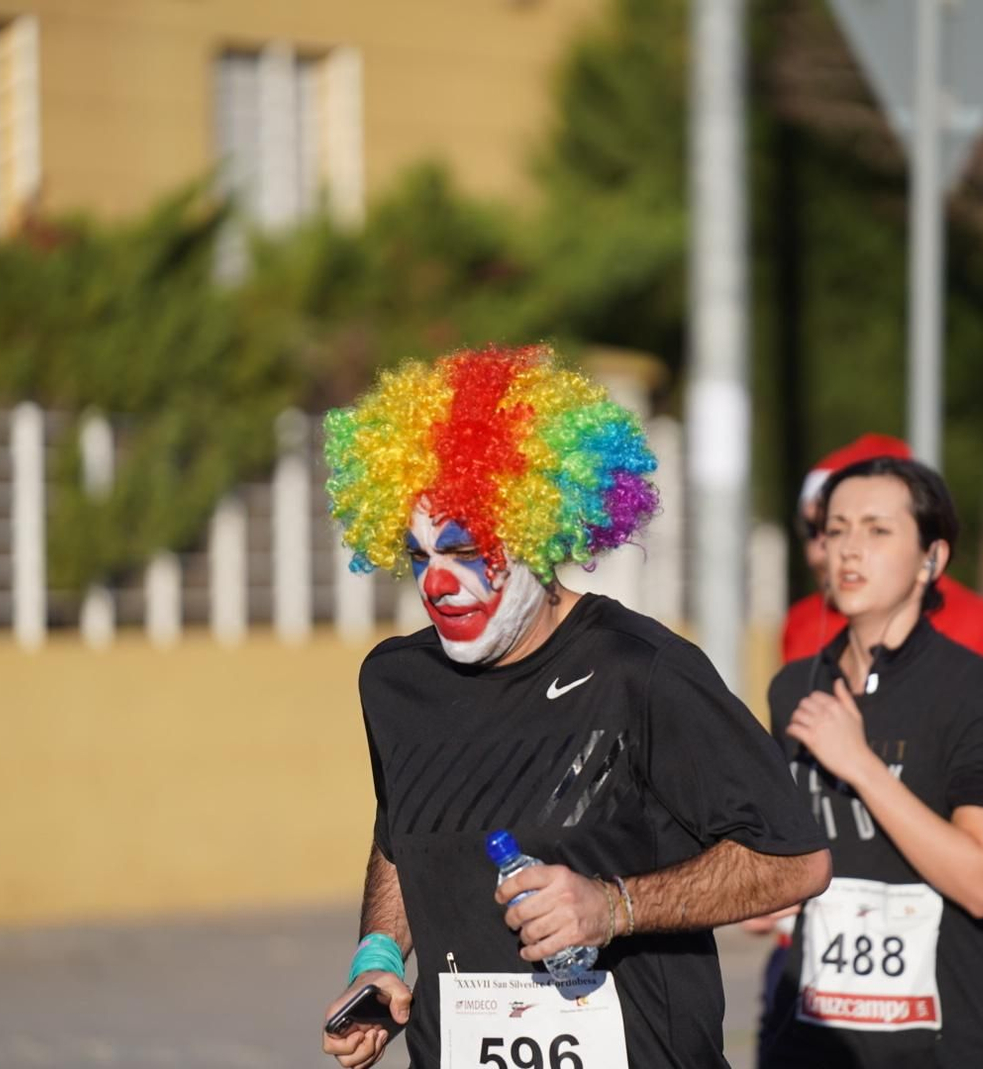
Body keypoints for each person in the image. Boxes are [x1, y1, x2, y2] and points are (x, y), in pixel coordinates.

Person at [318, 344, 832, 1069]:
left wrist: (611, 906)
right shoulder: (398, 683)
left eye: (468, 549)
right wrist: (376, 956)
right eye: (419, 555)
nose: (437, 582)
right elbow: (402, 829)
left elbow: (796, 861)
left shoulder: (642, 672)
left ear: (540, 529)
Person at [759, 456, 983, 1068]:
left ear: (932, 560)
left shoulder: (977, 691)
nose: (849, 550)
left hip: (956, 1038)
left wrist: (859, 764)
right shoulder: (793, 688)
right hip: (823, 1038)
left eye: (877, 529)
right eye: (835, 530)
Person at [783, 435, 983, 819]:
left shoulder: (980, 627)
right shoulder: (803, 624)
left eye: (876, 529)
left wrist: (968, 825)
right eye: (822, 530)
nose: (826, 549)